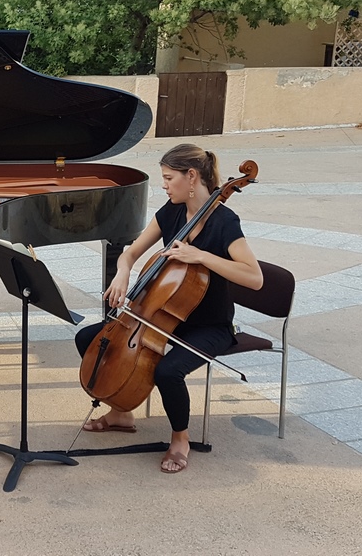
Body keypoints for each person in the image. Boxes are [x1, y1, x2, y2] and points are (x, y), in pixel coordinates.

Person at [74, 144, 263, 474]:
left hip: (210, 327)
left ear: (191, 177)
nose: (164, 185)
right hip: (163, 317)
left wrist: (202, 256)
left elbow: (254, 277)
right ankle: (121, 412)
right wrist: (122, 273)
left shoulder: (224, 223)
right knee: (89, 340)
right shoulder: (173, 211)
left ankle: (180, 439)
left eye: (168, 177)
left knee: (167, 371)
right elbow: (130, 253)